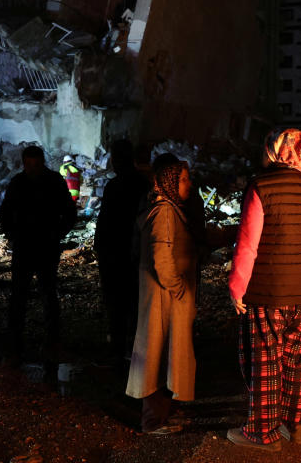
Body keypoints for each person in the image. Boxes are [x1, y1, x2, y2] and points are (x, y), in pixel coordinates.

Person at [227, 128, 301, 452]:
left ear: (276, 151)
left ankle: (262, 433)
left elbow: (248, 246)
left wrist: (237, 288)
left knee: (266, 362)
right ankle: (292, 424)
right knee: (296, 360)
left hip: (267, 293)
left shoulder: (262, 186)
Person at [125, 154, 199, 435]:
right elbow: (162, 257)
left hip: (166, 297)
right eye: (183, 179)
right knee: (157, 355)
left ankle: (162, 415)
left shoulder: (168, 209)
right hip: (163, 298)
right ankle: (153, 420)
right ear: (169, 182)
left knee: (165, 354)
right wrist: (179, 288)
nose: (188, 184)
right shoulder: (165, 212)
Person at [0, 146, 76, 358]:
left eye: (35, 164)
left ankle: (48, 339)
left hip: (43, 246)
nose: (32, 169)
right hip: (27, 245)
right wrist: (12, 235)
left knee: (47, 293)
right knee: (22, 295)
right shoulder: (19, 183)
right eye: (29, 164)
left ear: (42, 162)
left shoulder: (50, 182)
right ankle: (17, 340)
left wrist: (56, 234)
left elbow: (69, 212)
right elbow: (5, 212)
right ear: (24, 164)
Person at [93, 139, 150, 360]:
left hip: (120, 253)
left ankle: (120, 350)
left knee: (119, 304)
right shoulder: (140, 184)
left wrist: (102, 249)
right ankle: (129, 350)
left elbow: (107, 221)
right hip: (128, 253)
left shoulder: (118, 186)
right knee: (131, 304)